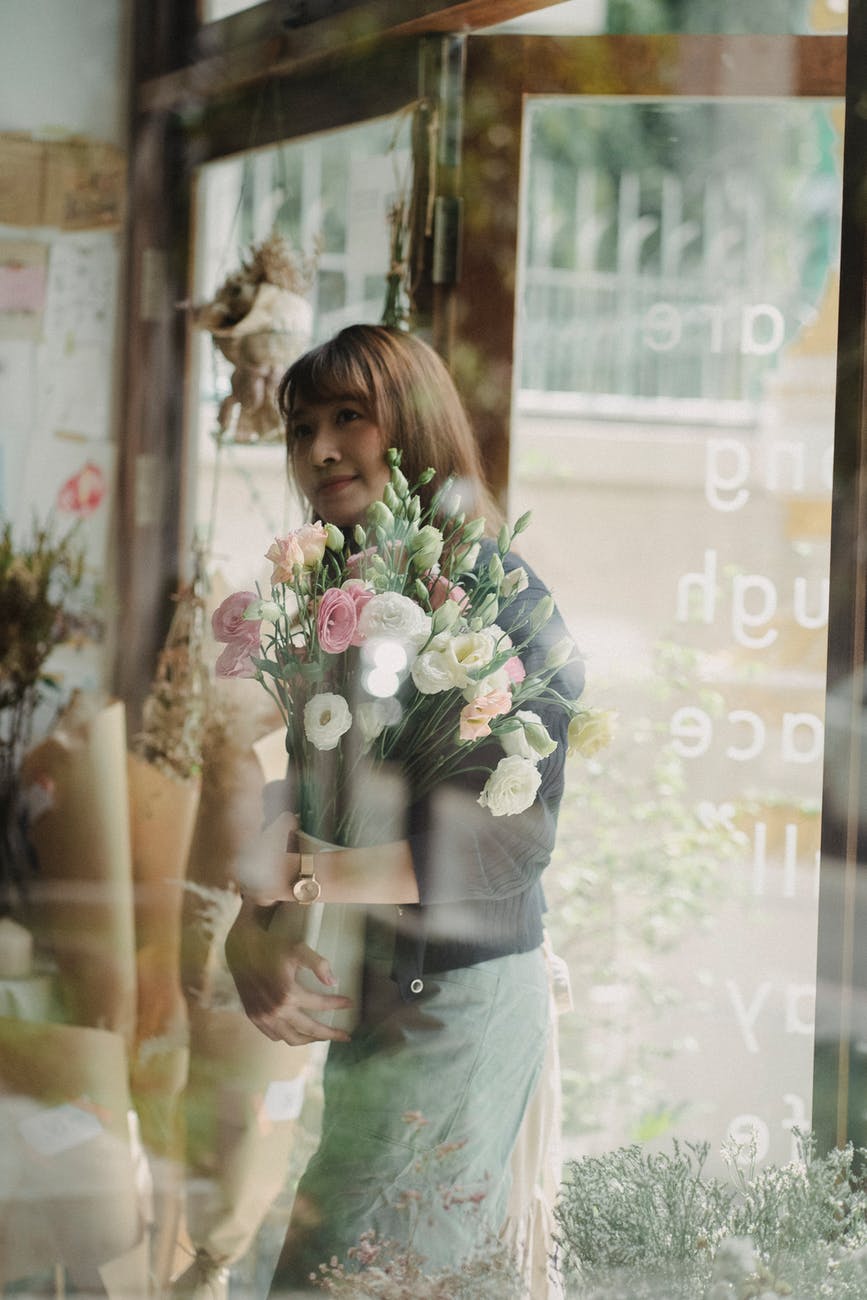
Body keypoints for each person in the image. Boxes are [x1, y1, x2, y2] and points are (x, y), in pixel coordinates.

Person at [224, 323, 583, 1292]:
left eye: (351, 418)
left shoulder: (502, 606)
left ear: (415, 426)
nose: (320, 450)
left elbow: (494, 851)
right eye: (301, 428)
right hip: (375, 989)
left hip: (456, 1004)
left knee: (346, 1272)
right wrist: (253, 928)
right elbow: (306, 783)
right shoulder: (342, 598)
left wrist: (295, 875)